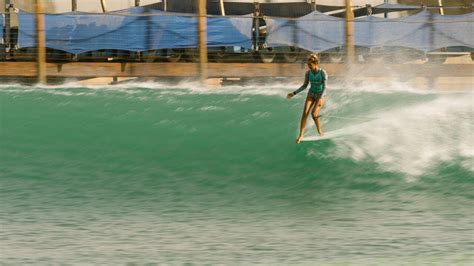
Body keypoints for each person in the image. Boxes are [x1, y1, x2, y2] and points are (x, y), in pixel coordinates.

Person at [287, 54, 328, 144]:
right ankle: (301, 135)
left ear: (315, 63)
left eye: (310, 65)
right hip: (311, 94)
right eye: (308, 65)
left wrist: (321, 97)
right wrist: (294, 93)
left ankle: (319, 130)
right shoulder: (308, 73)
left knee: (314, 114)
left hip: (321, 94)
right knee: (305, 113)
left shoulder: (322, 73)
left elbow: (325, 87)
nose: (308, 66)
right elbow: (305, 85)